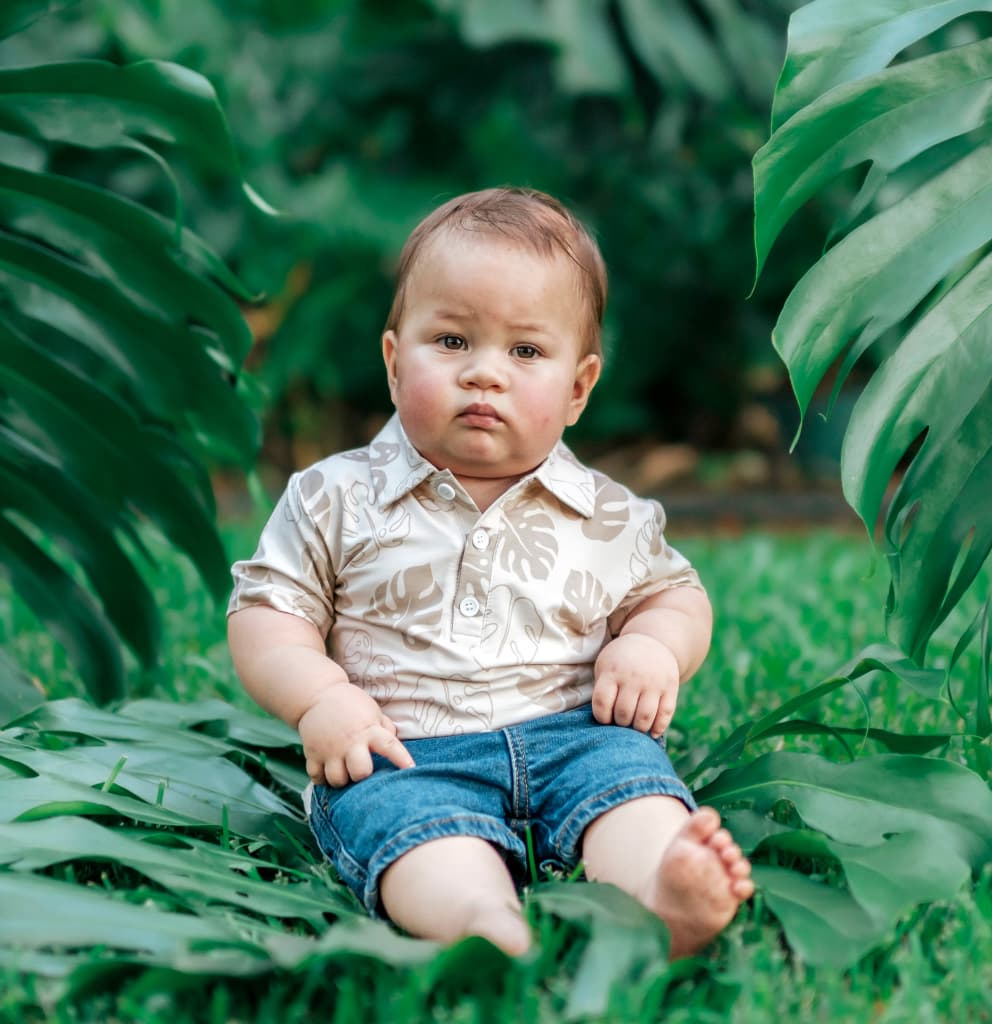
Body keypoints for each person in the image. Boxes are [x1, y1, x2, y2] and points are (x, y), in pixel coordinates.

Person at [227, 187, 753, 958]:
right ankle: (483, 921)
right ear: (393, 359)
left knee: (631, 790)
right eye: (450, 341)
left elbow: (673, 596)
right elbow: (268, 613)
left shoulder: (607, 513)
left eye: (526, 352)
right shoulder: (334, 497)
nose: (485, 375)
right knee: (417, 838)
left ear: (579, 388)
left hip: (580, 736)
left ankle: (661, 892)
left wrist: (651, 649)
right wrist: (321, 699)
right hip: (404, 752)